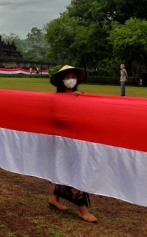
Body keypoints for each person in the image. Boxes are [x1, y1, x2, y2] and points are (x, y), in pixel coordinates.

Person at [47, 65, 97, 223]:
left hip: (78, 139)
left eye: (73, 77)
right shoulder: (57, 99)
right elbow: (59, 118)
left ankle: (54, 197)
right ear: (62, 81)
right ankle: (83, 209)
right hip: (64, 139)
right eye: (67, 77)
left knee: (70, 168)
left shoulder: (80, 96)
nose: (71, 80)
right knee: (75, 170)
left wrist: (81, 100)